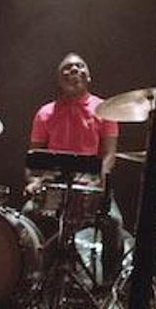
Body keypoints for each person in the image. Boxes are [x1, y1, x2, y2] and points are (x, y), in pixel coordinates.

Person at [24, 53, 126, 286]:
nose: (74, 71)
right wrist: (32, 181)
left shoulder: (105, 109)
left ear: (88, 76)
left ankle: (108, 287)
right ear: (59, 81)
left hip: (91, 183)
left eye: (79, 66)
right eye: (67, 69)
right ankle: (31, 279)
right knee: (27, 217)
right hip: (55, 185)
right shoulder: (45, 112)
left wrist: (97, 179)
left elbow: (110, 155)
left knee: (114, 223)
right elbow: (34, 158)